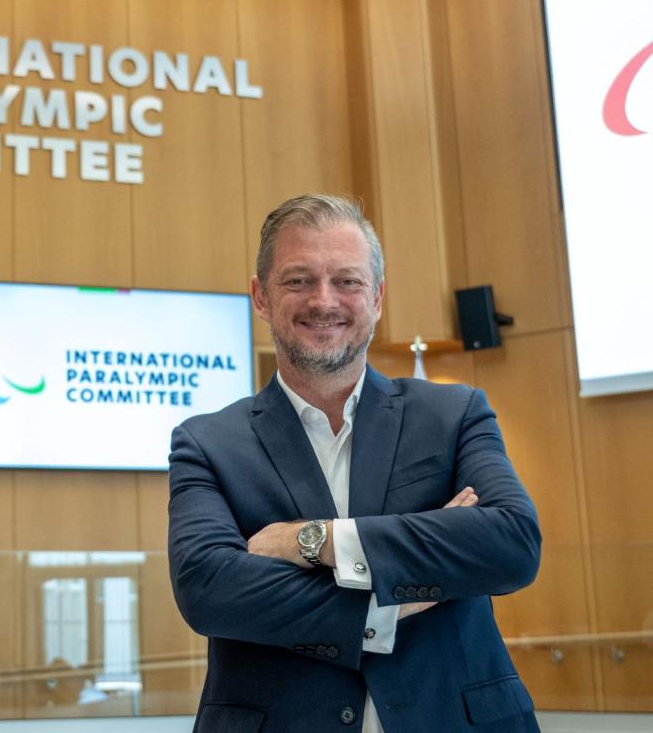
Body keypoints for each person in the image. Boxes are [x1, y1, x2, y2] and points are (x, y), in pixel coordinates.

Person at [167, 194, 541, 732]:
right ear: (261, 296)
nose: (324, 301)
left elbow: (511, 545)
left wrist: (312, 541)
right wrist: (408, 587)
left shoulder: (455, 414)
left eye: (347, 281)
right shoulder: (206, 443)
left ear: (378, 297)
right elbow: (210, 590)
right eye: (298, 280)